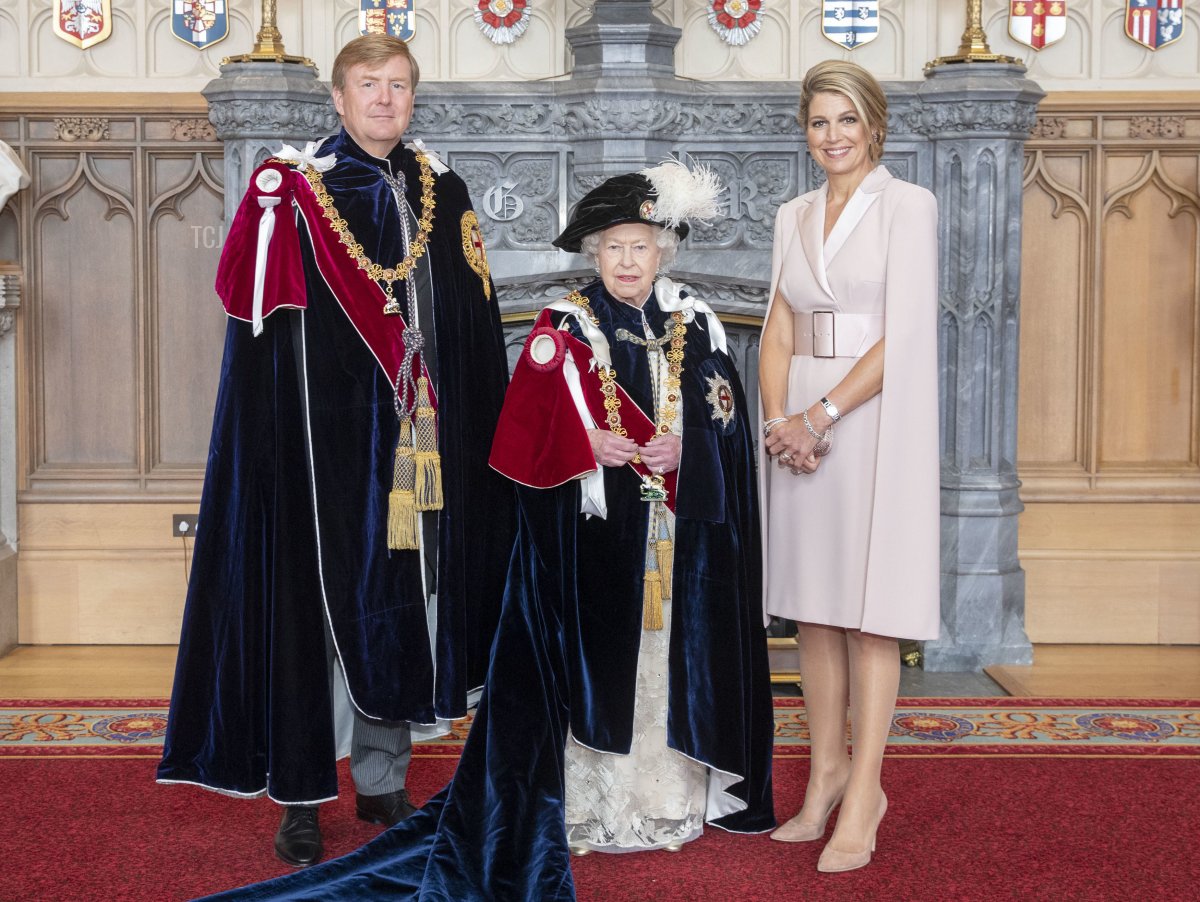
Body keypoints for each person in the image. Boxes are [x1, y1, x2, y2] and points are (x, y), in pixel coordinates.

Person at [199, 161, 775, 901]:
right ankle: (598, 805)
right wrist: (584, 445)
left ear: (665, 249)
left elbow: (727, 419)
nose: (628, 262)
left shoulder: (697, 323)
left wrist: (689, 448)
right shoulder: (562, 328)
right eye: (614, 247)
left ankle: (666, 798)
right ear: (593, 253)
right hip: (590, 545)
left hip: (677, 538)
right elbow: (519, 443)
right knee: (597, 670)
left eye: (642, 246)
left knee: (666, 670)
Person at [156, 33, 515, 869]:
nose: (385, 99)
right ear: (340, 98)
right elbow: (253, 315)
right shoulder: (297, 189)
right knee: (313, 614)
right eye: (368, 85)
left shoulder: (442, 188)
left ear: (412, 97)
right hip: (323, 446)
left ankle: (384, 779)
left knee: (399, 606)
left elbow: (470, 325)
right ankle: (303, 795)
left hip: (416, 442)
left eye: (398, 85)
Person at [758, 59, 939, 874]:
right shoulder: (791, 213)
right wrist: (779, 421)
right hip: (798, 414)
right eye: (819, 121)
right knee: (814, 609)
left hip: (870, 415)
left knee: (870, 611)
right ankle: (825, 768)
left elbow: (902, 335)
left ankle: (866, 788)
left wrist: (821, 416)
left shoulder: (909, 206)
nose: (832, 136)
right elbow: (776, 328)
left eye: (846, 120)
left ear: (875, 125)